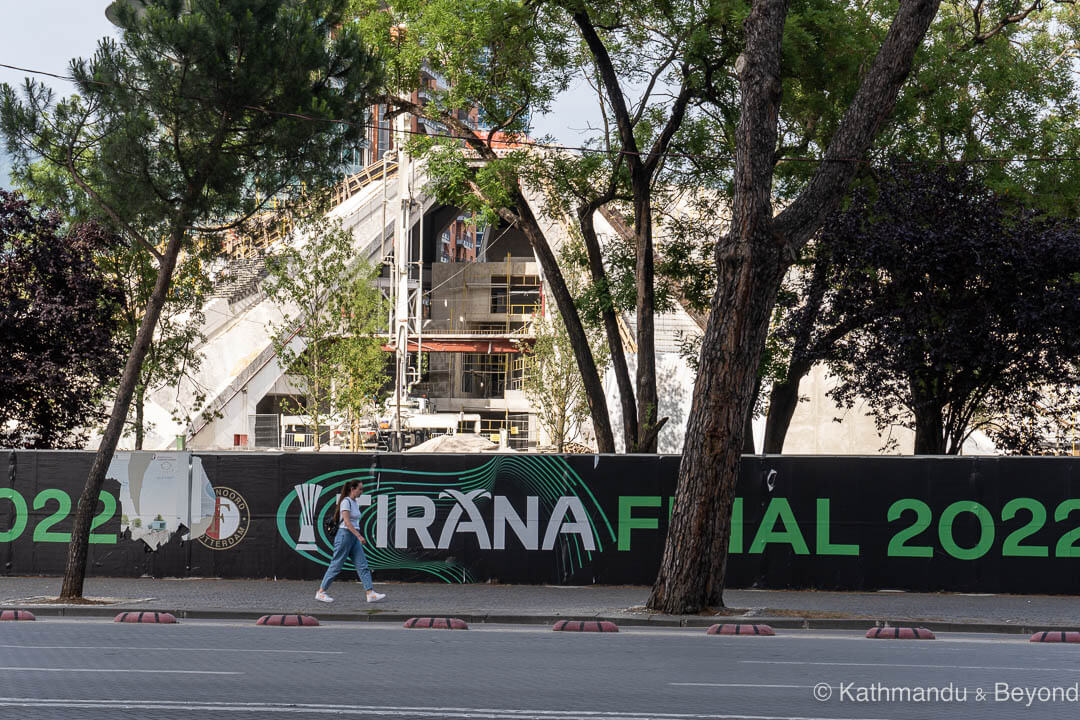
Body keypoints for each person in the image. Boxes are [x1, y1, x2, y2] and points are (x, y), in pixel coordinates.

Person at [315, 480, 385, 603]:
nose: (362, 491)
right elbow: (347, 522)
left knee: (362, 565)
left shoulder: (354, 502)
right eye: (360, 489)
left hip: (352, 536)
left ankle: (370, 593)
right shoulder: (346, 502)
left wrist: (356, 536)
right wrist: (359, 536)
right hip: (345, 535)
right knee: (336, 565)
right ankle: (321, 592)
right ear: (352, 489)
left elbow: (353, 522)